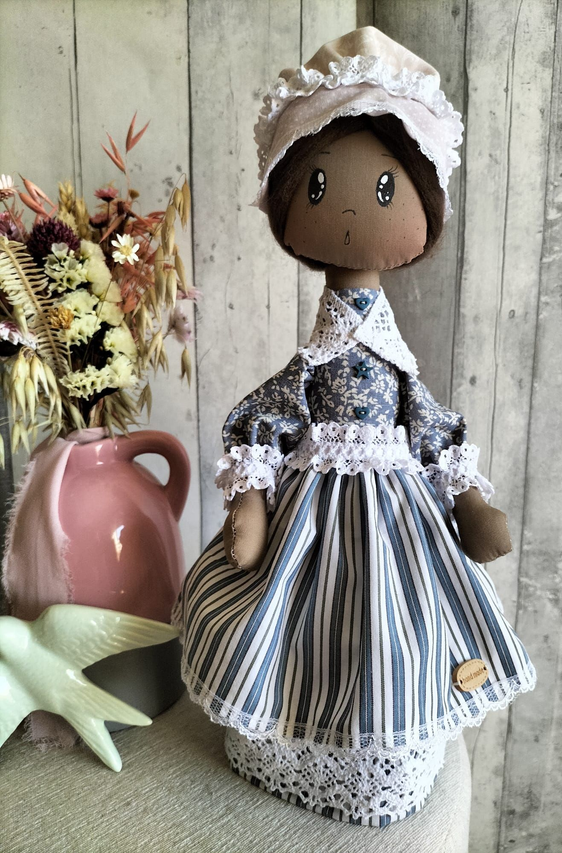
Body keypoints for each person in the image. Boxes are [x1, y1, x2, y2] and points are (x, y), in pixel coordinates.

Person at [172, 26, 536, 827]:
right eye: (319, 184)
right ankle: (287, 734)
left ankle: (381, 748)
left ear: (423, 207)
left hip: (397, 507)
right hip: (310, 502)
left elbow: (429, 422)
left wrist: (469, 500)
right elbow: (268, 417)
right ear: (286, 202)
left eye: (382, 189)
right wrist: (251, 502)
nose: (346, 207)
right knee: (297, 616)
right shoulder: (312, 361)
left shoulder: (396, 363)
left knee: (395, 621)